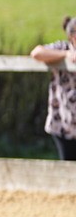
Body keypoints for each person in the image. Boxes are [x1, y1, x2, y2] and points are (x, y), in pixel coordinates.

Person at [29, 15, 76, 160]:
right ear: (72, 36)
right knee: (68, 167)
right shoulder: (63, 47)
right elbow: (36, 53)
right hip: (63, 122)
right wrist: (65, 55)